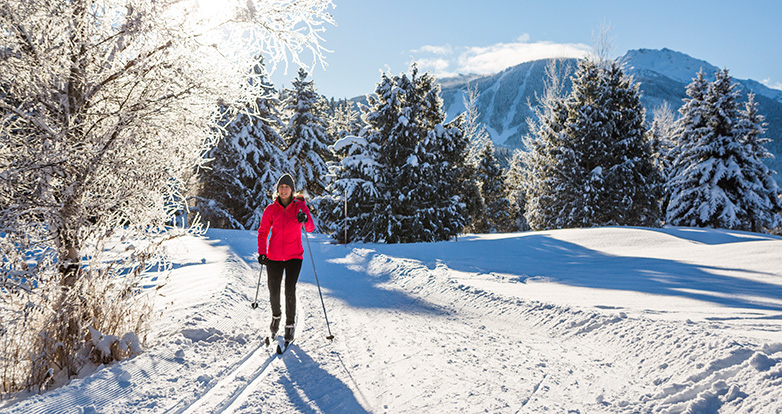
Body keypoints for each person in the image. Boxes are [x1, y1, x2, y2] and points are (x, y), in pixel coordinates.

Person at [257, 173, 315, 342]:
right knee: (273, 290)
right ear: (278, 190)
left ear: (292, 190)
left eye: (287, 187)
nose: (283, 190)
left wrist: (305, 218)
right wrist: (262, 252)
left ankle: (290, 325)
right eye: (281, 187)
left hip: (294, 256)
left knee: (290, 289)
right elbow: (263, 232)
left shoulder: (299, 208)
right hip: (274, 256)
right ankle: (276, 317)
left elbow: (310, 228)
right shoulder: (271, 209)